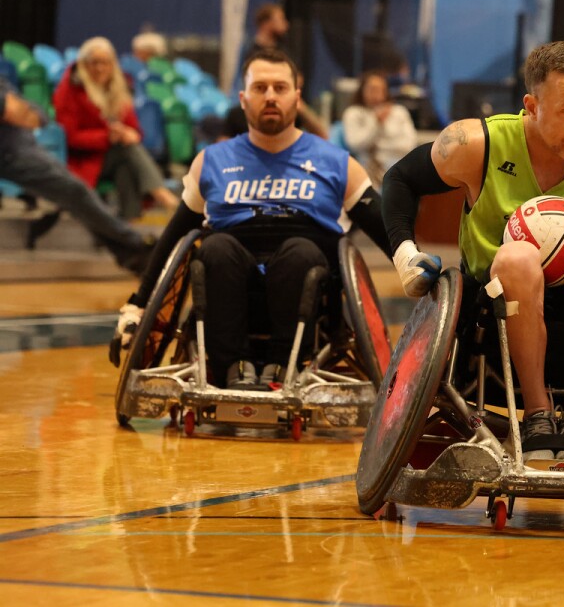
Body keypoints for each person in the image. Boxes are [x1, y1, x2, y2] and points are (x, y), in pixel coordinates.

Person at [382, 41, 564, 465]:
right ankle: (538, 414)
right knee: (518, 258)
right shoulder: (477, 144)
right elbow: (400, 179)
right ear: (532, 106)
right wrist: (404, 254)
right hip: (492, 313)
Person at [112, 49, 390, 389]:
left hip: (308, 296)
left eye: (279, 87)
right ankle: (233, 366)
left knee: (300, 251)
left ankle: (282, 364)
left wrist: (421, 277)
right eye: (260, 88)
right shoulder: (211, 162)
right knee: (215, 248)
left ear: (296, 97)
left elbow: (389, 233)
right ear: (243, 99)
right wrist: (137, 306)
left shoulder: (338, 163)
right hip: (225, 290)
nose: (270, 96)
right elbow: (173, 239)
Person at [0, 74, 153, 273]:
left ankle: (134, 249)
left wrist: (16, 111)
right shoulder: (71, 88)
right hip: (22, 148)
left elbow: (34, 115)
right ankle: (135, 245)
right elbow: (14, 111)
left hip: (15, 150)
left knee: (75, 191)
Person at [53, 36, 179, 219]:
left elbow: (134, 129)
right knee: (125, 149)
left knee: (125, 167)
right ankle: (162, 195)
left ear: (112, 65)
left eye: (105, 62)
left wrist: (129, 133)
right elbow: (70, 137)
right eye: (94, 62)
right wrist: (107, 137)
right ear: (84, 64)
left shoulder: (118, 89)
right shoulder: (70, 91)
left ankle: (129, 222)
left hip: (114, 156)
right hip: (83, 160)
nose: (100, 68)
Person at [234, 3, 328, 140]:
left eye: (279, 87)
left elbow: (323, 135)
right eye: (280, 19)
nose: (271, 96)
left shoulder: (286, 50)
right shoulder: (249, 52)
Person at [342, 70, 418, 185]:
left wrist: (378, 147)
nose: (376, 93)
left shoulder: (399, 112)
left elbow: (410, 144)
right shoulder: (353, 113)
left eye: (380, 89)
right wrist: (376, 122)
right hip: (368, 168)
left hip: (398, 164)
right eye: (372, 89)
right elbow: (355, 145)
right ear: (362, 90)